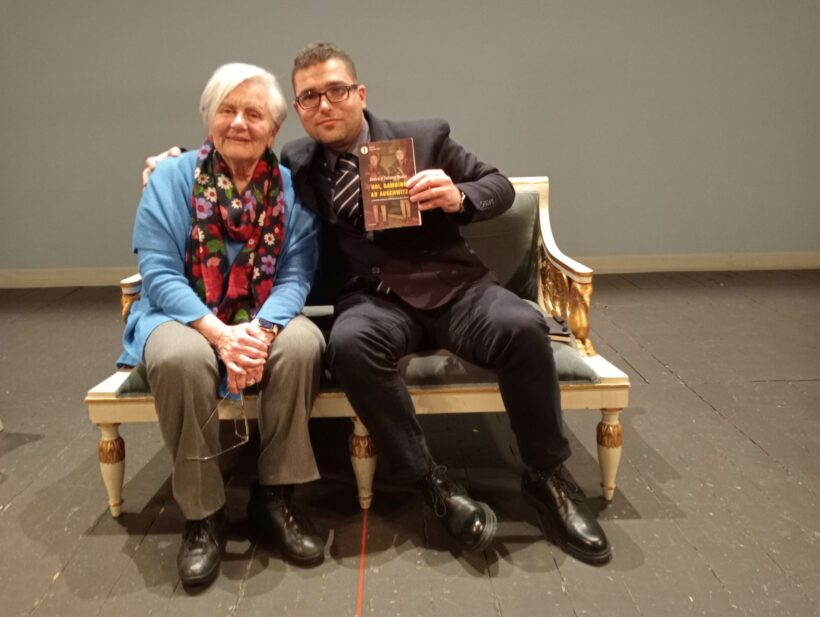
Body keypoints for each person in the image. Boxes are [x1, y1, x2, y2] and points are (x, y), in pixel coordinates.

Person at [144, 43, 611, 565]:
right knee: (349, 344)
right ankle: (431, 483)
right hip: (373, 300)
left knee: (522, 326)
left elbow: (497, 186)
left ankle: (547, 477)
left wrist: (457, 195)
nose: (324, 104)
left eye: (336, 91)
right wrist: (173, 161)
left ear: (360, 93)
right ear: (297, 109)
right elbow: (233, 149)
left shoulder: (425, 137)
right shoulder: (297, 162)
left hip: (453, 288)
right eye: (310, 97)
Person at [122, 62, 326, 586]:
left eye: (253, 114)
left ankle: (275, 499)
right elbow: (159, 273)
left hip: (261, 316)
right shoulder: (170, 179)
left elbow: (296, 275)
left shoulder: (292, 190)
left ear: (273, 130)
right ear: (209, 118)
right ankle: (203, 514)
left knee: (303, 344)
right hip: (181, 315)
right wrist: (219, 334)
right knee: (179, 357)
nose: (238, 122)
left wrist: (260, 331)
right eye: (227, 110)